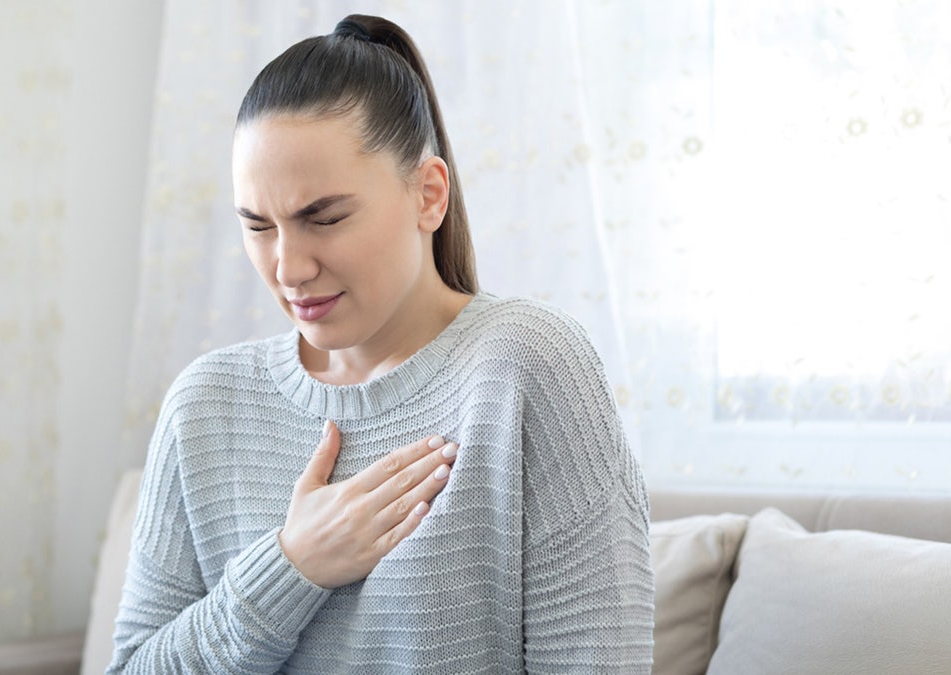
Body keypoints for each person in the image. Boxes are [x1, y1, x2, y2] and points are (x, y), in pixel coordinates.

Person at [108, 14, 653, 674]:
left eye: (325, 218)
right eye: (259, 226)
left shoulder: (528, 369)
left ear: (428, 195)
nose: (289, 267)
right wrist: (292, 565)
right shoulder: (205, 405)